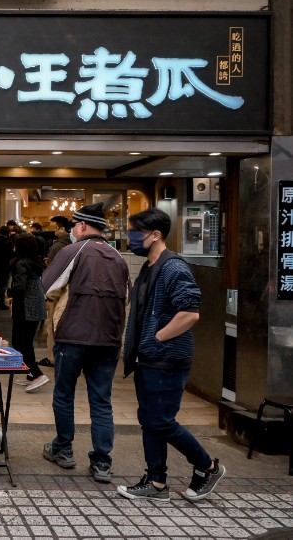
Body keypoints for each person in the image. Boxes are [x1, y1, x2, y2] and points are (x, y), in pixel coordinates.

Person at [117, 208, 225, 503]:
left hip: (166, 358)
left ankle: (207, 466)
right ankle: (157, 482)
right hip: (149, 358)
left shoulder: (174, 267)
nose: (131, 238)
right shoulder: (151, 267)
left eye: (136, 233)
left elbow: (190, 314)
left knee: (161, 421)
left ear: (155, 235)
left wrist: (156, 338)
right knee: (149, 419)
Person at [41, 202, 129, 483]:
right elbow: (126, 298)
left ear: (80, 227)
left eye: (73, 227)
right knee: (102, 400)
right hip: (110, 340)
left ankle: (63, 449)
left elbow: (47, 286)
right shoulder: (118, 257)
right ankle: (102, 462)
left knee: (64, 394)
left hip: (73, 337)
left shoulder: (73, 250)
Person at [7, 234, 49, 393]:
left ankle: (38, 374)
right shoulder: (35, 262)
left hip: (25, 308)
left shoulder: (21, 264)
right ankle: (31, 374)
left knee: (19, 343)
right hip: (36, 307)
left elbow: (19, 287)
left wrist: (9, 292)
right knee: (27, 341)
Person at [40, 215, 74, 367]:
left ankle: (52, 358)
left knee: (52, 326)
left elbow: (53, 273)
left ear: (62, 229)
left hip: (57, 293)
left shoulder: (57, 247)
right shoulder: (75, 245)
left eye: (56, 228)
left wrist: (49, 297)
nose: (54, 231)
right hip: (72, 292)